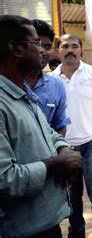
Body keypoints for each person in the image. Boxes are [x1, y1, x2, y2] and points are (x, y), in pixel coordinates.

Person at [0, 15, 82, 237]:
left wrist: (64, 149)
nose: (44, 51)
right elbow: (5, 179)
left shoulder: (23, 92)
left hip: (46, 224)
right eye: (36, 43)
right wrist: (57, 163)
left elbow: (50, 133)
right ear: (15, 49)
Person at [51, 34, 92, 238]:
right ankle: (76, 232)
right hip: (65, 147)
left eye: (74, 46)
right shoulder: (51, 80)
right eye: (65, 46)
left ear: (81, 50)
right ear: (58, 51)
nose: (70, 49)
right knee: (72, 196)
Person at [25, 19, 70, 136]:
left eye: (48, 46)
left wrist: (58, 150)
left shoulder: (57, 86)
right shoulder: (9, 83)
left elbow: (60, 126)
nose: (42, 51)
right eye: (38, 44)